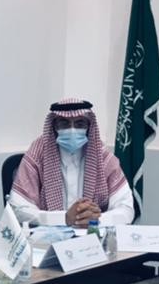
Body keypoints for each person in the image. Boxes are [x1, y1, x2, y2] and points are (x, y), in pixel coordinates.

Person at [9, 98, 134, 229]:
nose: (72, 130)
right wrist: (63, 218)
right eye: (64, 123)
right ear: (54, 126)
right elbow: (18, 208)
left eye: (80, 123)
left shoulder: (103, 157)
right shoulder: (37, 154)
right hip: (48, 235)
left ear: (88, 126)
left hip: (93, 234)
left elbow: (126, 210)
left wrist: (96, 219)